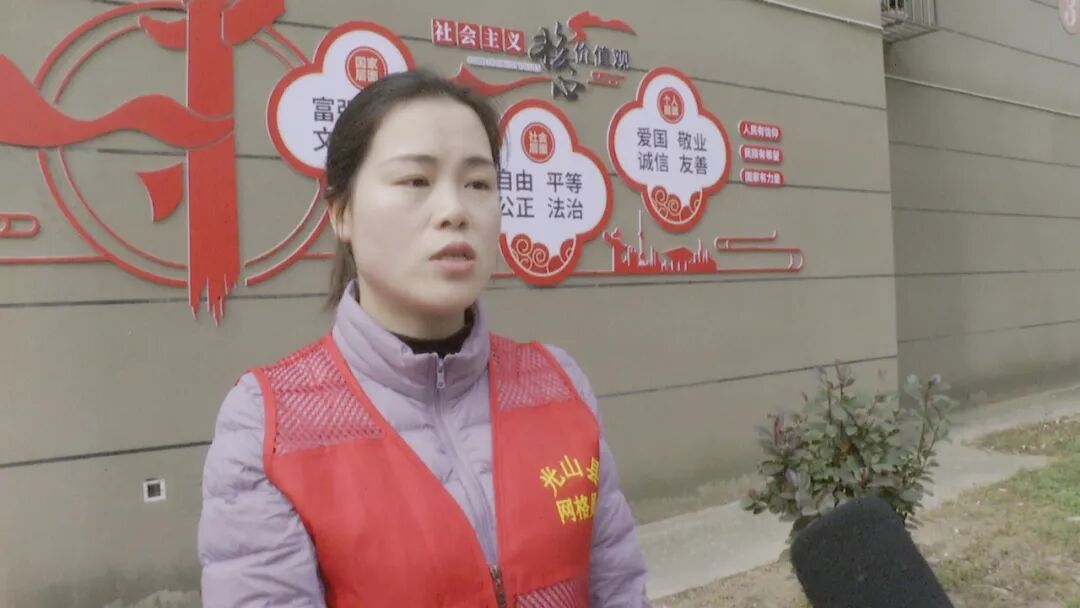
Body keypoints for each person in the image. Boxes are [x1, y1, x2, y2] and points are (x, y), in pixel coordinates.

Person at [197, 70, 651, 607]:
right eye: (416, 181)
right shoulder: (269, 426)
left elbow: (619, 589)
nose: (455, 210)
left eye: (478, 184)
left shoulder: (559, 383)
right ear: (341, 213)